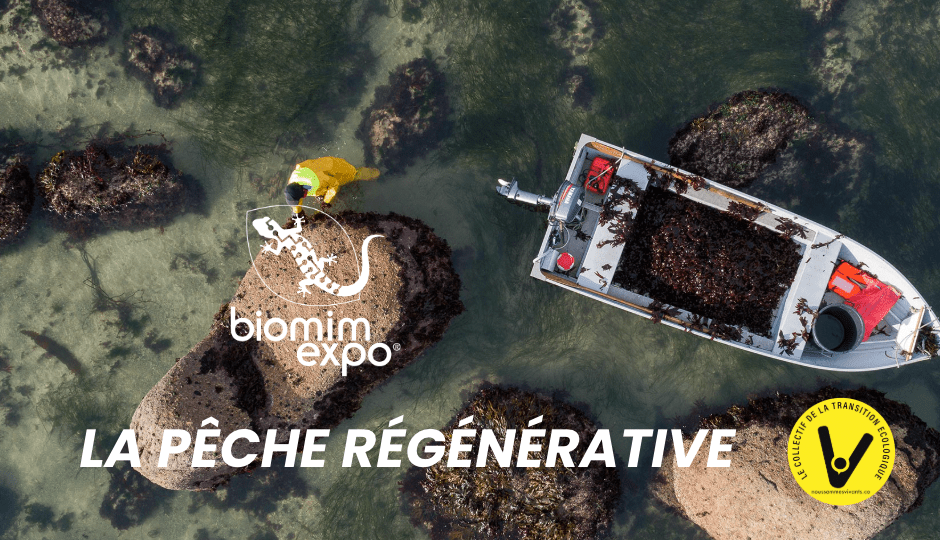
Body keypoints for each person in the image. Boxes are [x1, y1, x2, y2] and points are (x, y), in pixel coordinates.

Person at [283, 157, 380, 218]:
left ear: (303, 190)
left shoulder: (318, 180)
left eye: (303, 195)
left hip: (335, 168)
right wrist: (297, 212)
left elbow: (334, 184)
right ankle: (322, 194)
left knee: (353, 174)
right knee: (321, 191)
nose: (304, 197)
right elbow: (297, 197)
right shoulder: (293, 182)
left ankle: (375, 173)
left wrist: (326, 201)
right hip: (320, 173)